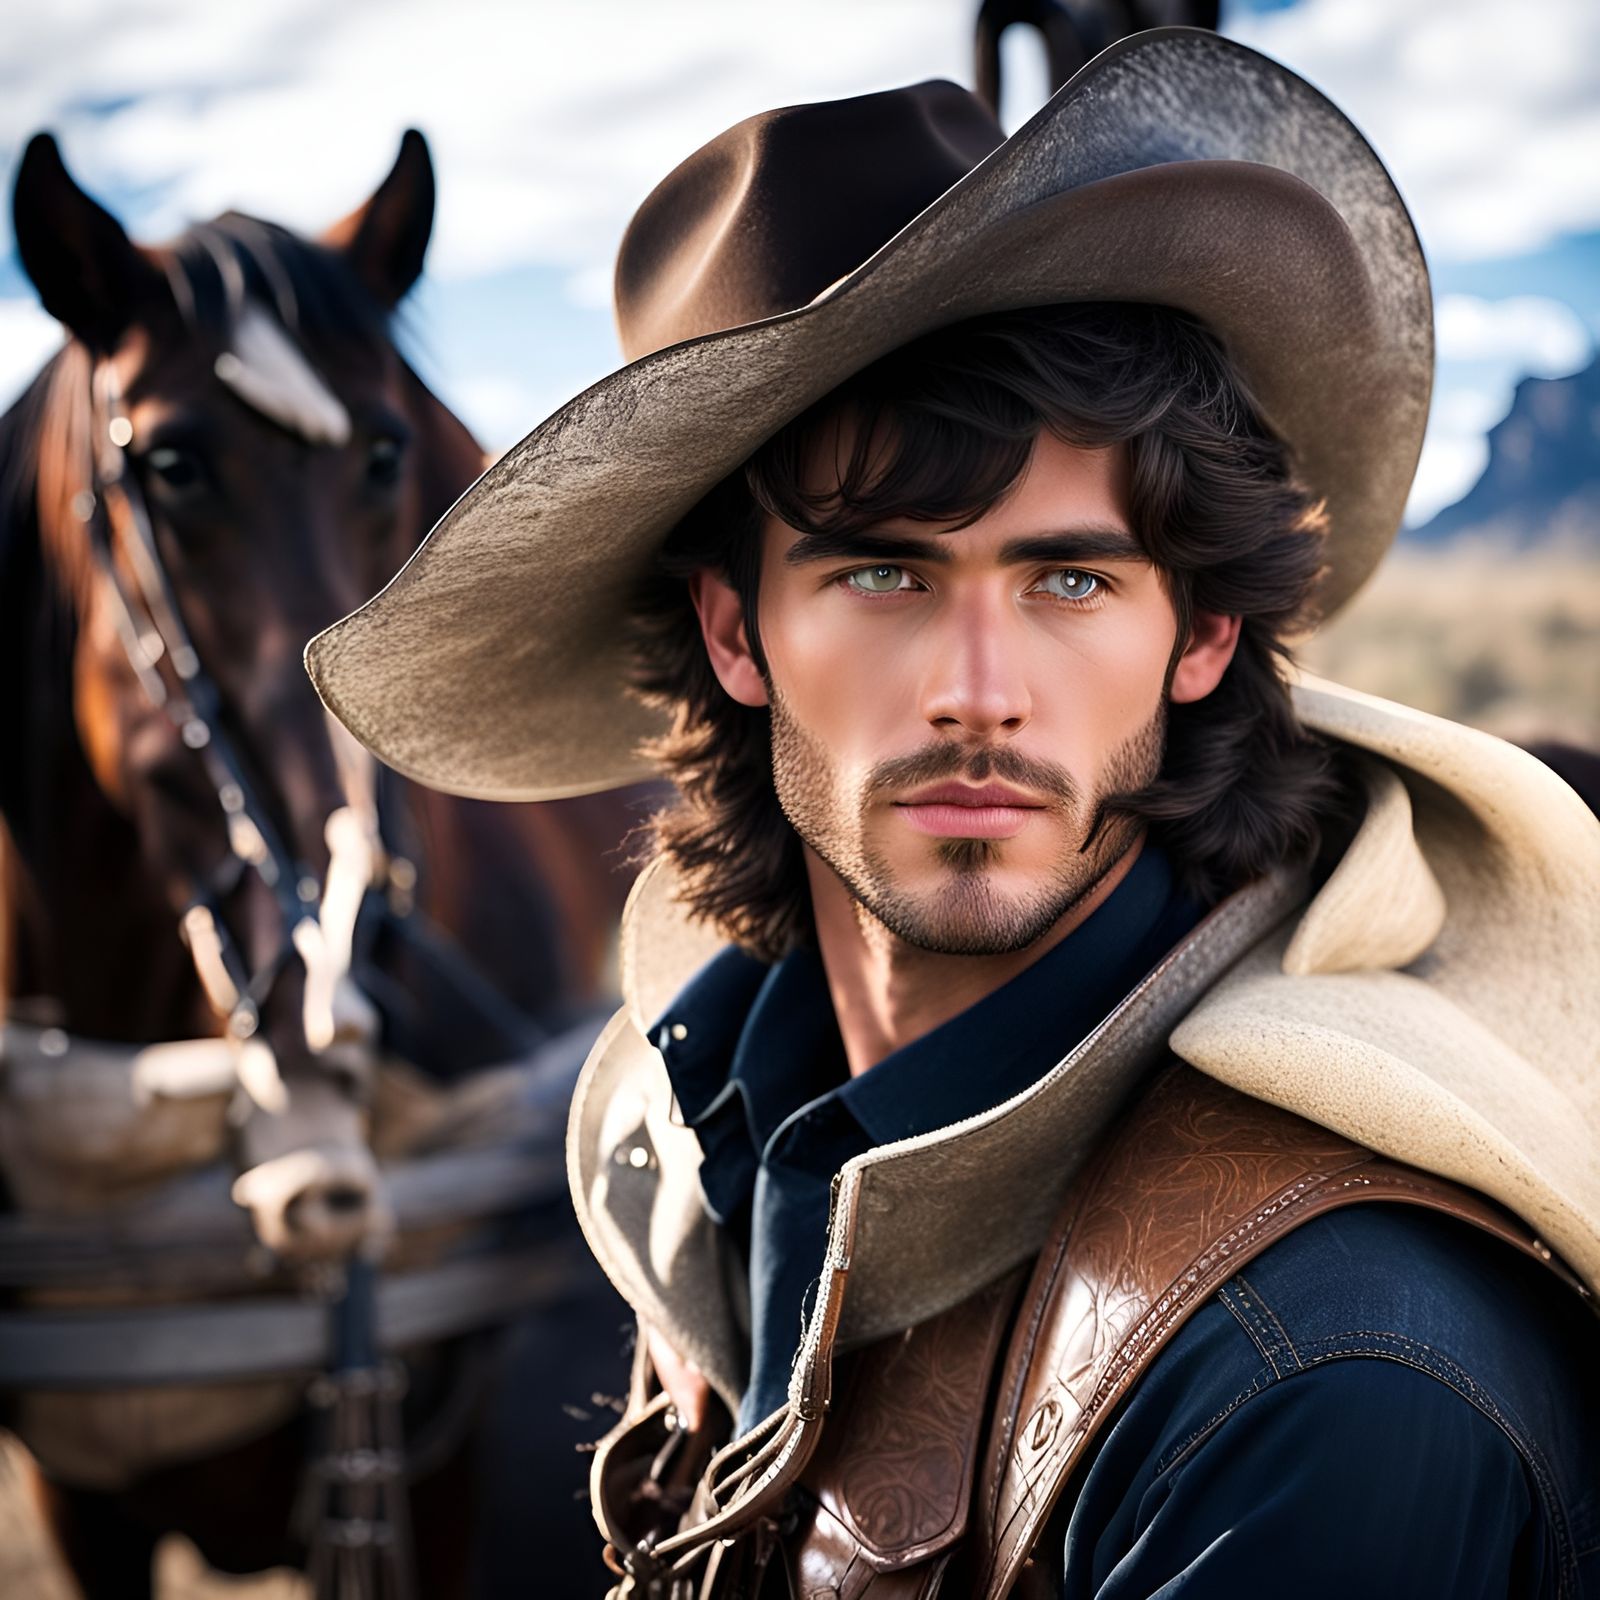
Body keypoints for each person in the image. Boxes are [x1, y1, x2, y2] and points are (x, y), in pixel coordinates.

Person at [308, 28, 1600, 1598]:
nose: (979, 693)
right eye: (883, 571)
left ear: (1200, 634)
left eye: (1070, 580)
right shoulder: (712, 1135)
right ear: (735, 633)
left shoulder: (1315, 1378)